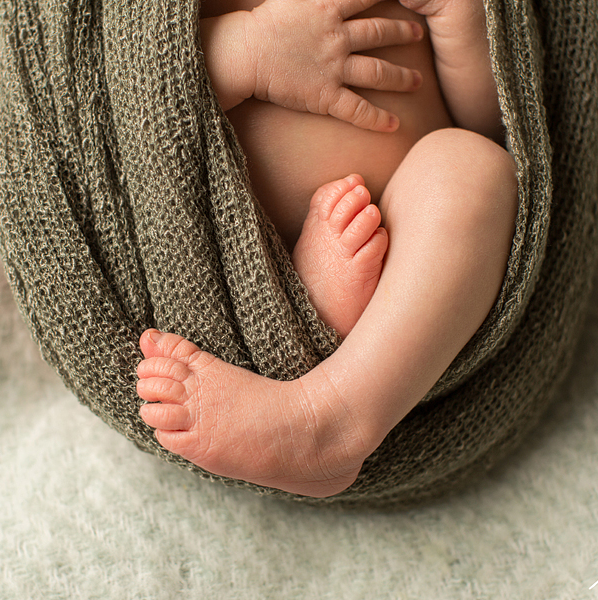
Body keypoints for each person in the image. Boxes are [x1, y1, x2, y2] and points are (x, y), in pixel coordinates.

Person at [135, 0, 518, 498]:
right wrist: (250, 49)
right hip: (257, 271)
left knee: (477, 169)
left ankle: (334, 417)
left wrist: (461, 24)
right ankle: (310, 324)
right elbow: (127, 89)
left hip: (415, 227)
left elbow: (491, 116)